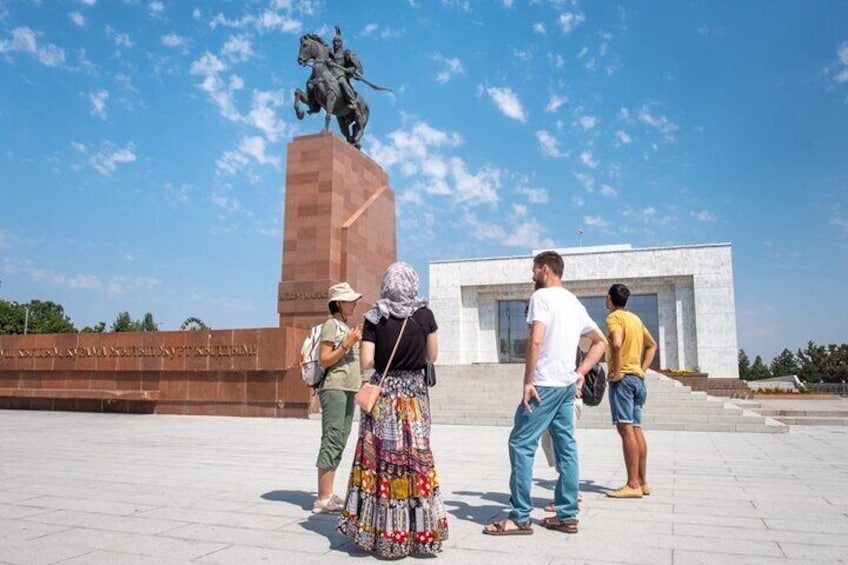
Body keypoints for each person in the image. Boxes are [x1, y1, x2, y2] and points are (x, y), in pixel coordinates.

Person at [483, 251, 606, 536]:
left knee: (521, 443)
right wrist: (580, 372)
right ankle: (567, 515)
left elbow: (536, 339)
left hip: (544, 384)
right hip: (565, 386)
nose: (532, 274)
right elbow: (600, 343)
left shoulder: (542, 298)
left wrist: (528, 380)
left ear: (546, 269)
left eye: (534, 269)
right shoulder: (573, 302)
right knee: (567, 447)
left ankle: (520, 517)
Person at [337, 262, 448, 558]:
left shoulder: (374, 316)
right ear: (412, 284)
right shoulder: (425, 315)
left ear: (386, 284)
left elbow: (366, 362)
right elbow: (432, 355)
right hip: (413, 396)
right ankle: (419, 533)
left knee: (382, 462)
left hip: (385, 396)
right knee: (416, 460)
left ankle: (381, 533)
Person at [313, 282, 363, 514]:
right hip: (334, 388)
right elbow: (324, 359)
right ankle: (322, 498)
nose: (354, 303)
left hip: (348, 389)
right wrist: (347, 344)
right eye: (350, 300)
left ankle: (329, 493)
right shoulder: (331, 325)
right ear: (339, 304)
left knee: (341, 438)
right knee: (332, 437)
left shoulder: (344, 326)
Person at [604, 283, 657, 499]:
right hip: (637, 380)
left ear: (610, 298)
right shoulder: (635, 319)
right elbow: (652, 345)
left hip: (623, 380)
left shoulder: (614, 318)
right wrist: (641, 370)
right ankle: (643, 482)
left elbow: (616, 344)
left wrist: (617, 371)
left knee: (626, 430)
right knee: (636, 429)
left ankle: (632, 484)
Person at [330, 25, 363, 124]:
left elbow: (354, 65)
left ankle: (353, 101)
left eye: (337, 42)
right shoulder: (331, 55)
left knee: (341, 81)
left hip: (341, 76)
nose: (335, 44)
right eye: (334, 42)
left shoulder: (346, 53)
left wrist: (351, 69)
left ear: (341, 43)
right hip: (331, 77)